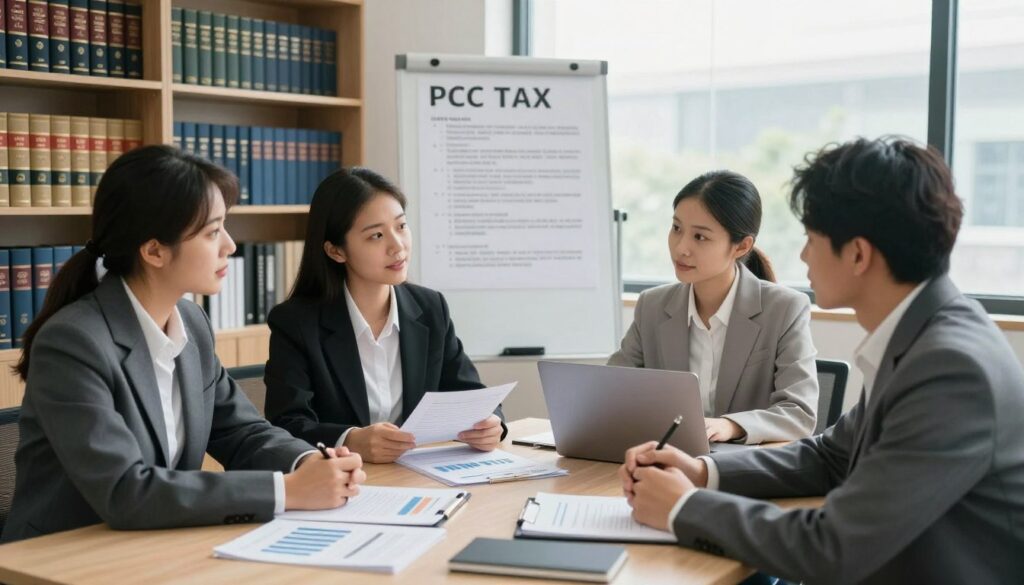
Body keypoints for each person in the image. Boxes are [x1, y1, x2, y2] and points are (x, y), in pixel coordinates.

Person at [621, 137, 1024, 584]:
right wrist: (702, 470)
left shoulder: (950, 369)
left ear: (857, 254)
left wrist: (683, 507)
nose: (802, 255)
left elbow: (833, 547)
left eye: (812, 239)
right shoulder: (925, 337)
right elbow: (829, 457)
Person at [1, 146, 365, 544]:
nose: (230, 245)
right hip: (63, 555)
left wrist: (310, 461)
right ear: (154, 249)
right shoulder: (73, 342)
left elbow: (242, 432)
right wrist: (288, 491)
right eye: (212, 232)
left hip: (155, 544)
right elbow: (125, 491)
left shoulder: (190, 322)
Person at [265, 167, 505, 464]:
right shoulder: (296, 323)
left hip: (422, 477)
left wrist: (492, 424)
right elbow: (286, 424)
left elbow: (469, 394)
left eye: (401, 226)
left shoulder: (430, 308)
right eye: (376, 235)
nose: (397, 246)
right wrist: (351, 439)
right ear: (336, 250)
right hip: (343, 483)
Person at [609, 170, 818, 444]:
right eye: (676, 228)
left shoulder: (785, 309)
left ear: (742, 246)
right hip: (666, 460)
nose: (681, 247)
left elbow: (799, 413)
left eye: (700, 237)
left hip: (742, 470)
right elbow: (610, 393)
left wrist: (732, 426)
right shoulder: (653, 305)